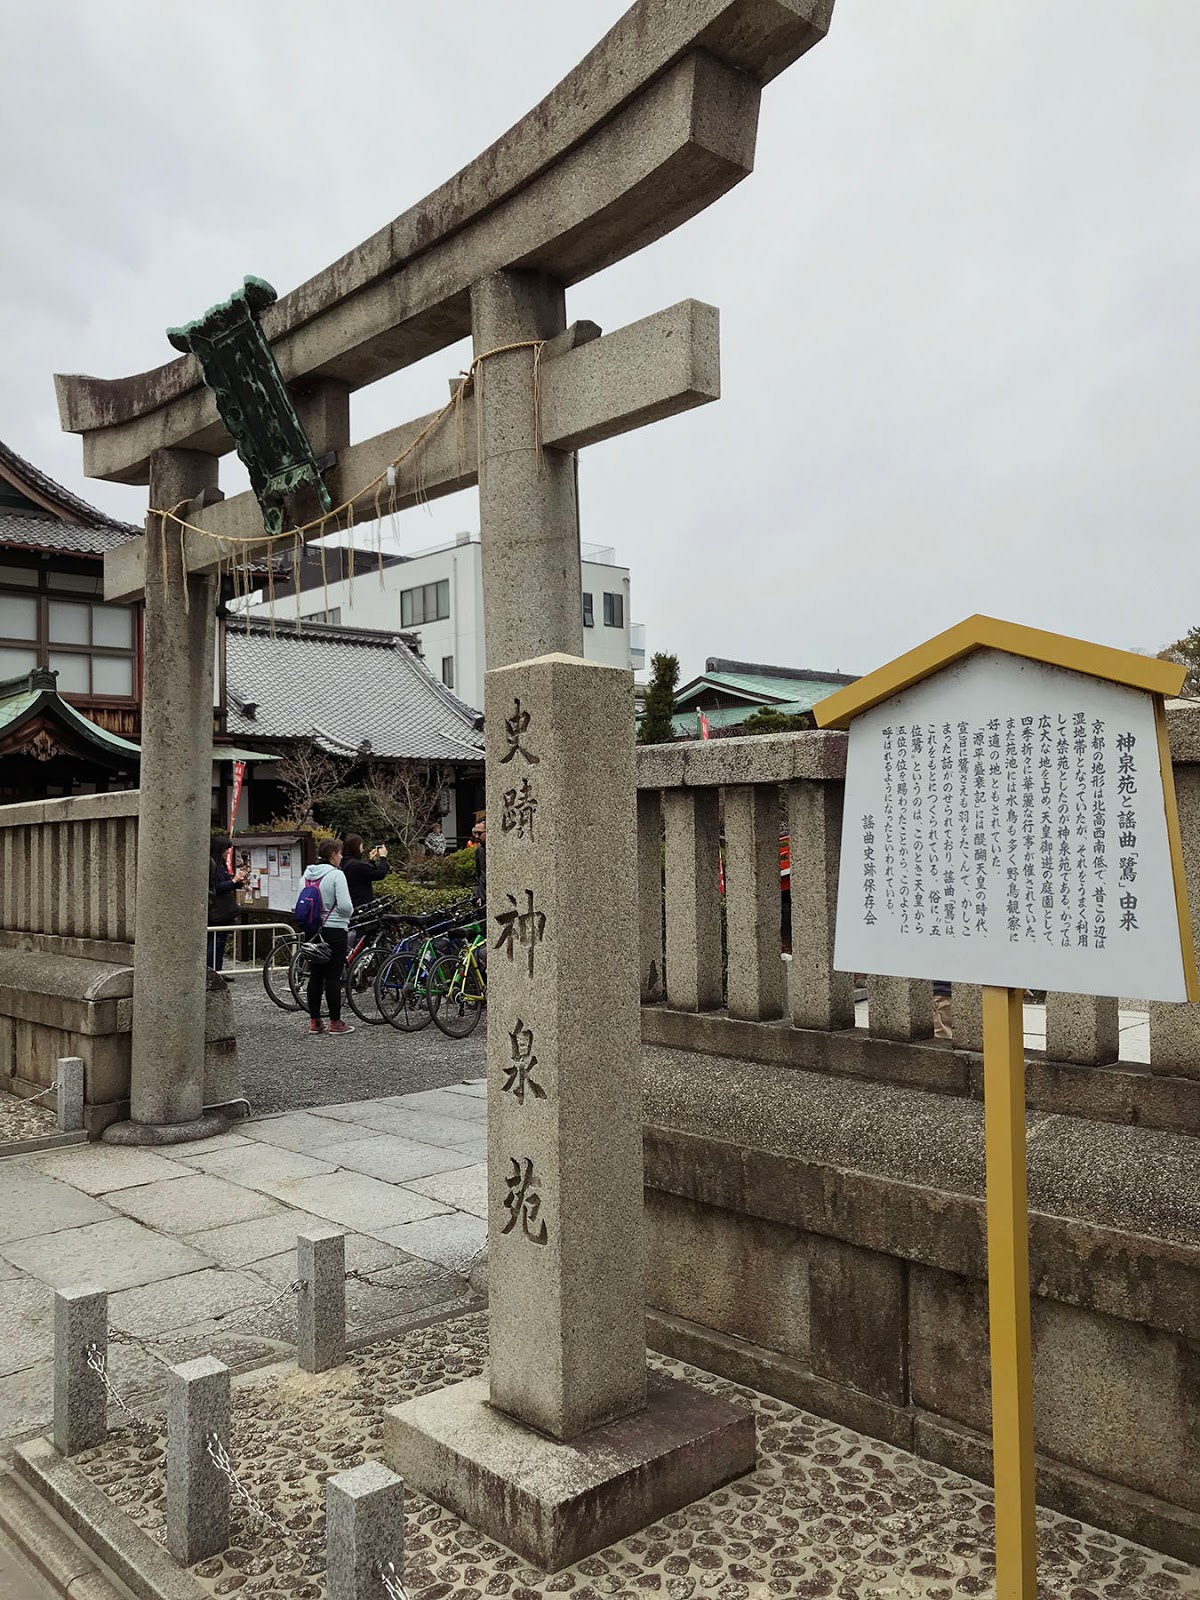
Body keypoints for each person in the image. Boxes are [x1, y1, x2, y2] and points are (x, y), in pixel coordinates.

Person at [303, 838, 356, 1036]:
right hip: (334, 929)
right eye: (339, 853)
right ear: (333, 854)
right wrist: (344, 916)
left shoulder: (307, 875)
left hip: (313, 930)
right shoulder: (336, 875)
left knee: (316, 975)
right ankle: (335, 1022)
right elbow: (345, 906)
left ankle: (315, 1021)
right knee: (333, 976)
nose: (341, 857)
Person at [207, 840, 245, 972]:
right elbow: (216, 888)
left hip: (224, 910)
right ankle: (211, 971)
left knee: (221, 942)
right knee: (213, 942)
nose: (227, 853)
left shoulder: (222, 865)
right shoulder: (213, 865)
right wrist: (233, 881)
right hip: (216, 910)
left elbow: (226, 884)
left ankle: (219, 970)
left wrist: (237, 882)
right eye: (226, 850)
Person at [341, 834, 389, 910]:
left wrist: (371, 861)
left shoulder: (343, 862)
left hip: (350, 902)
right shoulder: (357, 865)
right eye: (361, 846)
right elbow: (379, 874)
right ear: (356, 847)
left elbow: (365, 873)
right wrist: (383, 857)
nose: (362, 849)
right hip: (361, 906)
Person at [472, 819, 486, 905]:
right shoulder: (479, 850)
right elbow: (479, 874)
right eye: (475, 833)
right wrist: (478, 894)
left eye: (479, 833)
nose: (476, 836)